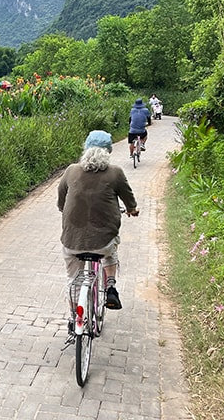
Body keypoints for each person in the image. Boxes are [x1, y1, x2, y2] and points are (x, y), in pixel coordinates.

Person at [57, 130, 139, 329]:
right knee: (111, 248)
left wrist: (65, 209)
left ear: (86, 149)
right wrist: (132, 210)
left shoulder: (71, 171)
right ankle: (110, 284)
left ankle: (73, 319)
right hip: (103, 243)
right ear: (108, 151)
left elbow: (61, 201)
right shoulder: (115, 173)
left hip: (72, 242)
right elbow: (129, 200)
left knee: (73, 280)